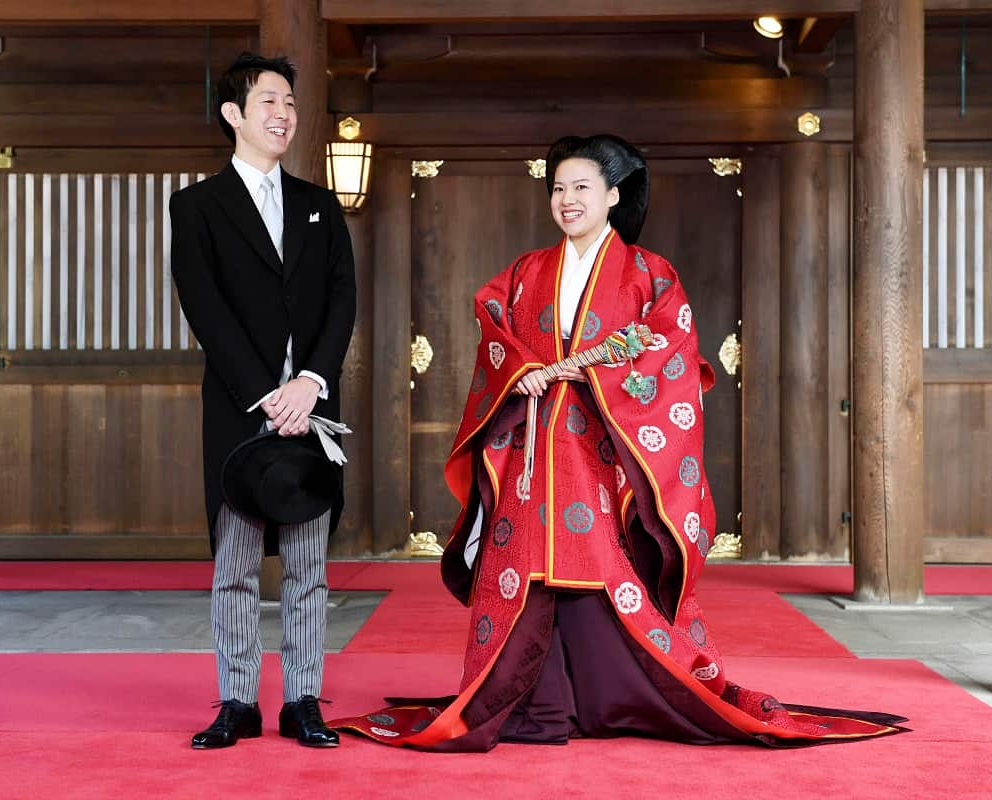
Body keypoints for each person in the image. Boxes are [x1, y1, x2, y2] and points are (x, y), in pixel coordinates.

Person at [329, 134, 905, 750]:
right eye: (558, 188)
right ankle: (526, 701)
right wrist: (524, 370)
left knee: (597, 566)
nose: (567, 200)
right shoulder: (526, 273)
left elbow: (672, 351)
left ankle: (610, 697)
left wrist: (597, 372)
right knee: (523, 567)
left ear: (612, 195)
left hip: (602, 452)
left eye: (581, 188)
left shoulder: (648, 274)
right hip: (532, 446)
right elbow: (492, 326)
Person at [170, 53, 356, 749]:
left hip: (312, 410)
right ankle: (237, 700)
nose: (285, 114)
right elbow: (204, 306)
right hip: (240, 411)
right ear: (234, 115)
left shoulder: (320, 204)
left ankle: (303, 697)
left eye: (291, 103)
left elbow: (343, 299)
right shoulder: (196, 207)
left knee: (310, 562)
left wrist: (310, 380)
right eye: (271, 101)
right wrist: (266, 393)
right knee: (236, 561)